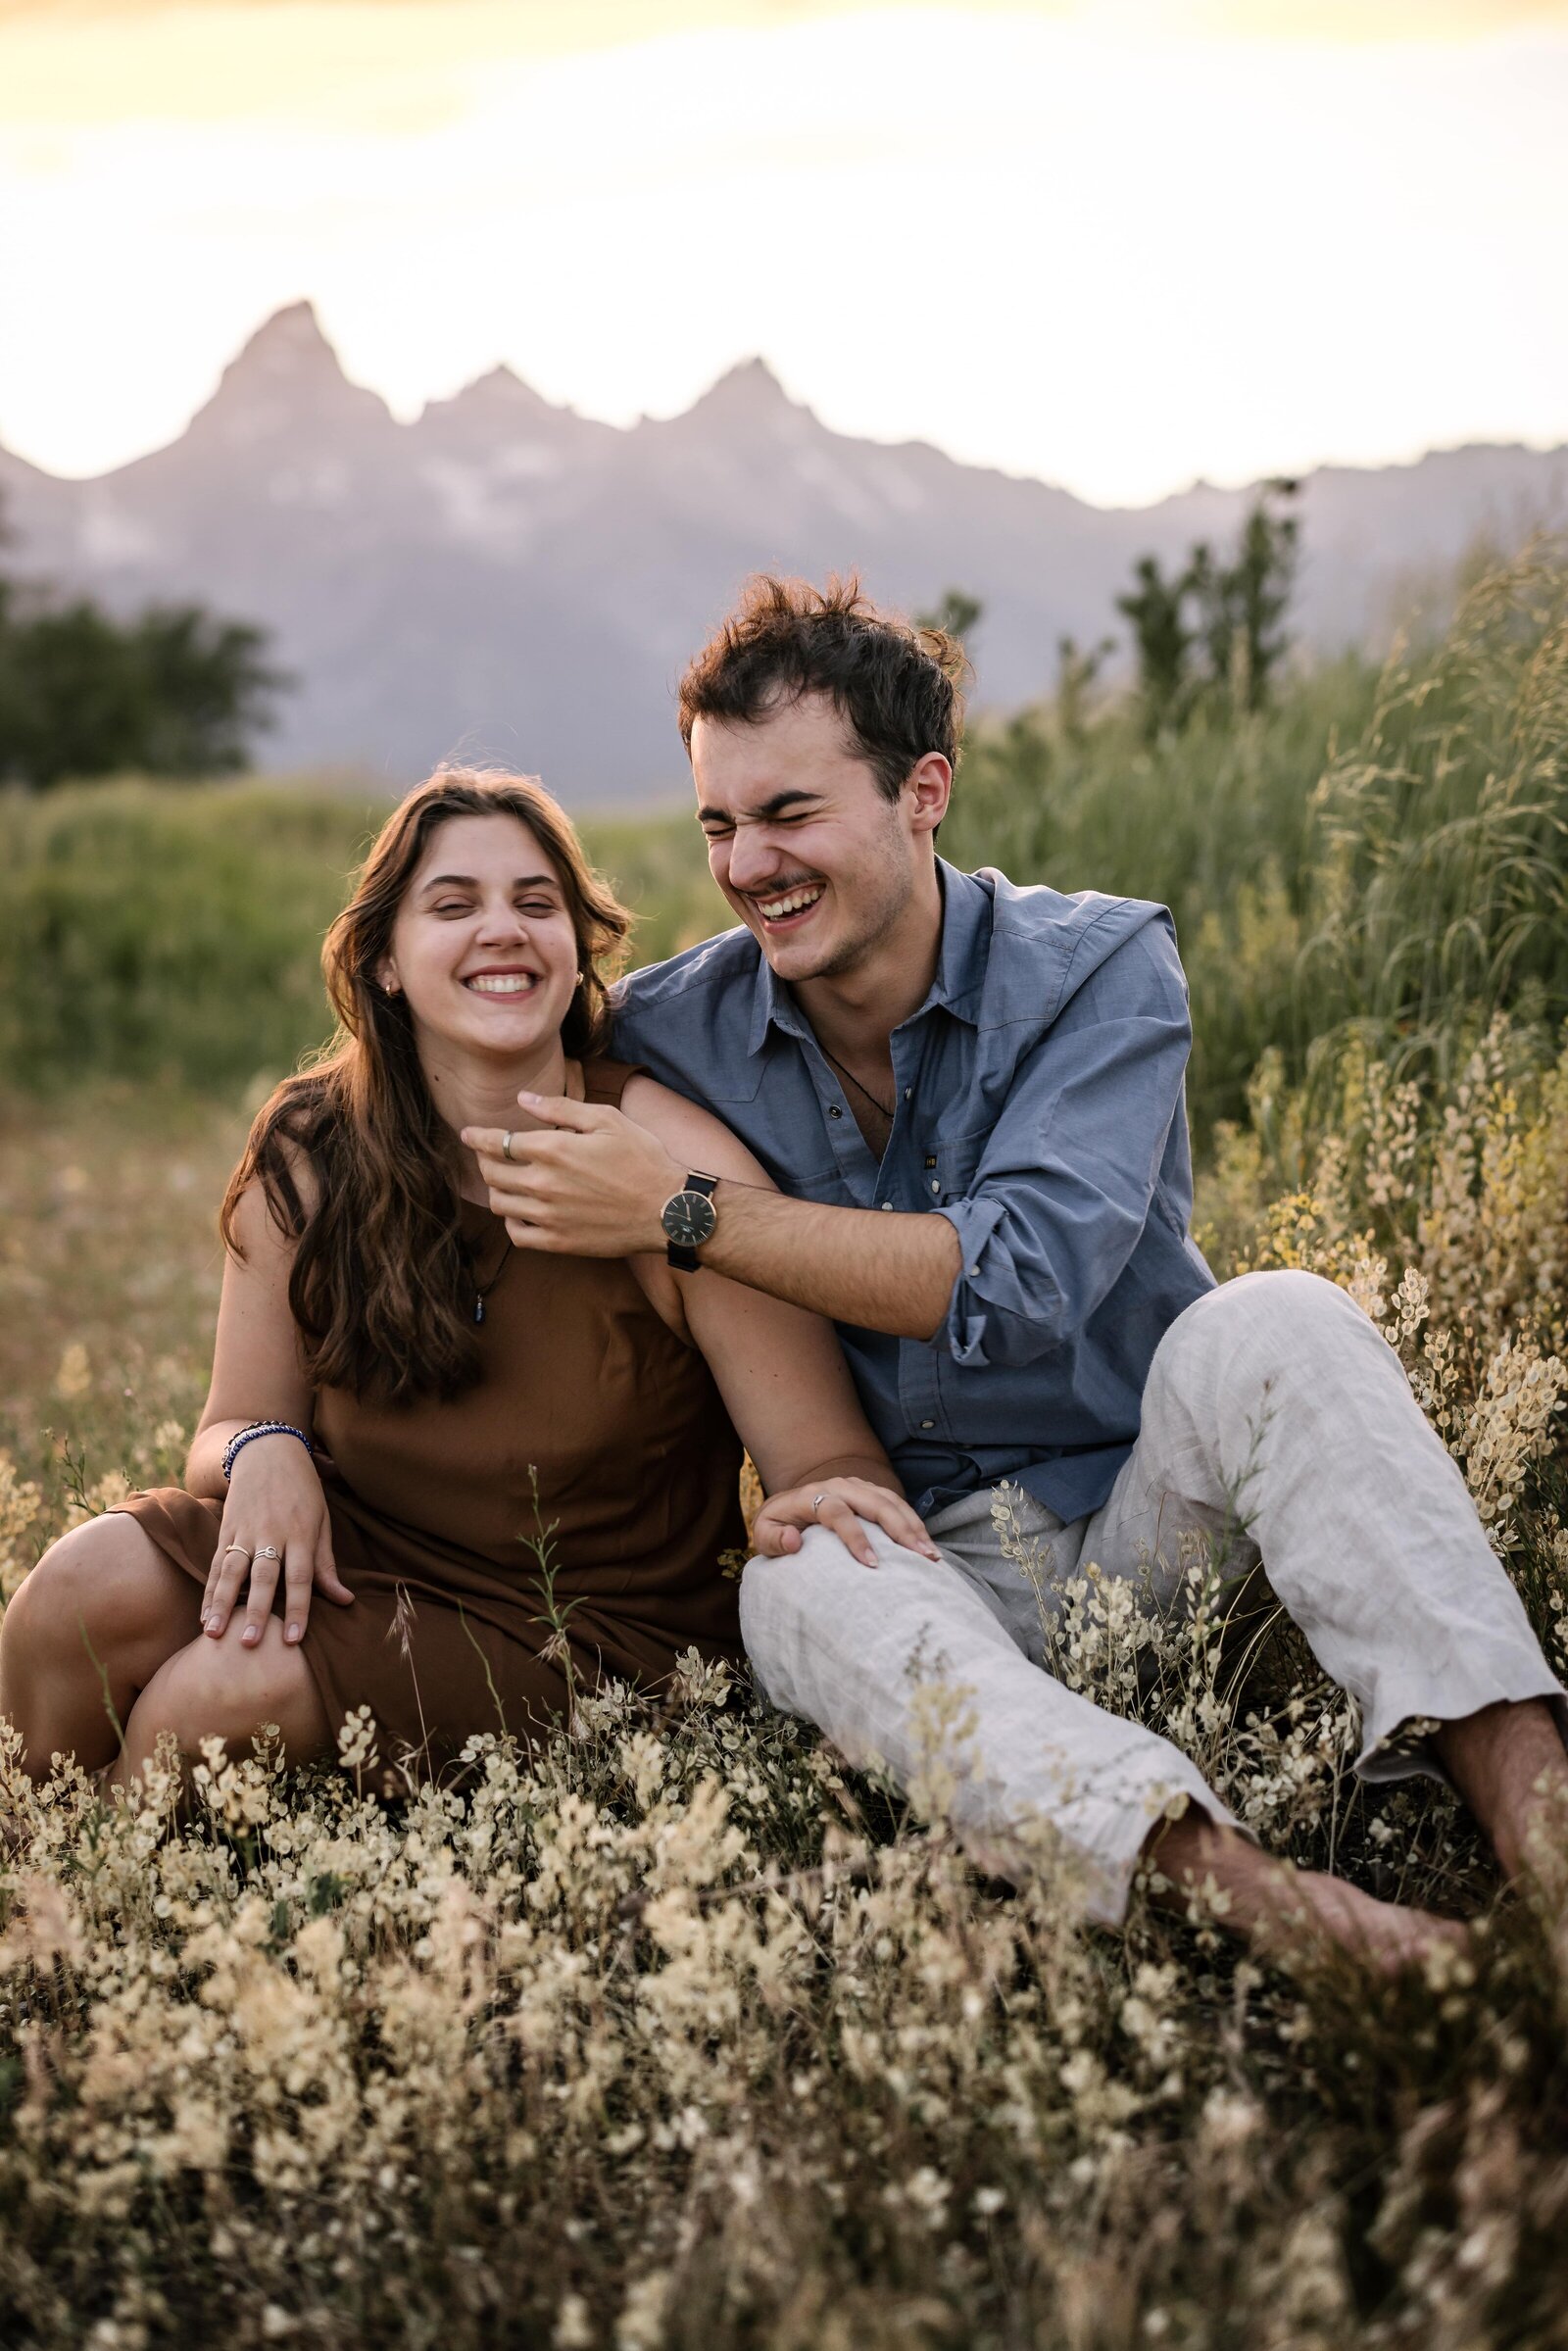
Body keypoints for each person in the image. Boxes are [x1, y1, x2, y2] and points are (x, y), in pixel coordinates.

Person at [463, 577, 1568, 1968]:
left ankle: (1550, 1842)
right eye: (719, 823)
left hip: (1154, 1522)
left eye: (791, 813)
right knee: (794, 1587)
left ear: (924, 790)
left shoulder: (1096, 965)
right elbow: (457, 1064)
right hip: (926, 1570)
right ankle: (1313, 1923)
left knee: (1283, 1317)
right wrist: (256, 1422)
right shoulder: (674, 1025)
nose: (747, 864)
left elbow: (1012, 1282)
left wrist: (690, 1211)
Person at [0, 769, 933, 1789]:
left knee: (216, 1697)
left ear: (577, 947)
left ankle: (113, 1936)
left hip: (586, 1636)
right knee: (73, 1590)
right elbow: (228, 1428)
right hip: (360, 1562)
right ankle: (33, 1890)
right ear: (386, 961)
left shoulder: (664, 1160)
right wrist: (265, 1449)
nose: (504, 929)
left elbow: (827, 1454)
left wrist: (824, 1540)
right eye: (454, 905)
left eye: (537, 903)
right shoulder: (313, 1147)